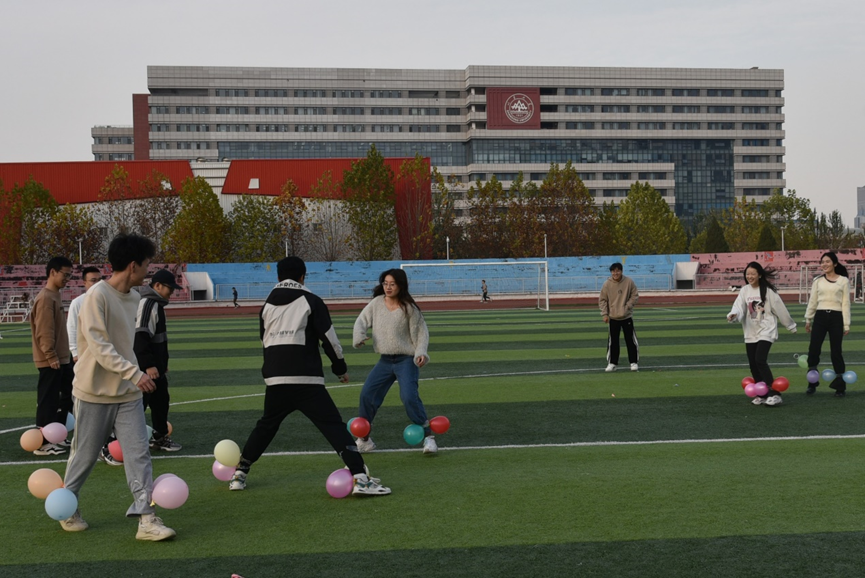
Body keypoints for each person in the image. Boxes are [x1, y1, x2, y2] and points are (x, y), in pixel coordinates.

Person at [229, 257, 390, 496]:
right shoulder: (311, 300)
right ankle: (361, 479)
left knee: (266, 426)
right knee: (333, 426)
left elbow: (264, 339)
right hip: (306, 379)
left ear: (278, 277)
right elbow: (329, 339)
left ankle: (240, 474)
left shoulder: (267, 305)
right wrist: (340, 369)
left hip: (275, 379)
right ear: (303, 276)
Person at [59, 233, 176, 541]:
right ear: (133, 266)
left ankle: (146, 519)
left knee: (139, 454)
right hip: (93, 392)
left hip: (128, 394)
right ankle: (68, 507)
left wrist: (138, 373)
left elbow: (130, 345)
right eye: (147, 265)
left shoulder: (136, 299)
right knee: (84, 456)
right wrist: (135, 373)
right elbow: (100, 347)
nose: (148, 272)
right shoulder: (96, 296)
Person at [353, 268, 436, 454]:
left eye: (392, 284)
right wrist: (359, 336)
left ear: (400, 285)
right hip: (385, 361)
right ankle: (364, 440)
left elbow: (421, 333)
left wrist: (421, 353)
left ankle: (428, 437)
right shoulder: (376, 303)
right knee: (367, 395)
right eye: (385, 283)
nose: (388, 287)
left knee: (409, 397)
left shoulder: (409, 308)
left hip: (406, 360)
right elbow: (361, 321)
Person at [726, 262, 797, 406]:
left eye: (753, 273)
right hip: (750, 331)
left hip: (766, 330)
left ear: (759, 275)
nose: (750, 276)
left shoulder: (768, 291)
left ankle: (774, 394)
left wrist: (790, 325)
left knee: (760, 360)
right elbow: (738, 307)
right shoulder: (745, 290)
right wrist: (733, 315)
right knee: (753, 363)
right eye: (748, 274)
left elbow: (780, 309)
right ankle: (762, 393)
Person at [30, 256, 74, 456]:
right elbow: (44, 331)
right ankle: (43, 443)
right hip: (52, 360)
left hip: (62, 358)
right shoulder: (46, 298)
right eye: (65, 274)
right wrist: (50, 355)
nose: (67, 279)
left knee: (67, 396)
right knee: (48, 400)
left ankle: (56, 434)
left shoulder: (55, 295)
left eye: (70, 275)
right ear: (53, 272)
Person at [135, 269, 183, 451]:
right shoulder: (148, 304)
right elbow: (141, 336)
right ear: (157, 286)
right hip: (146, 369)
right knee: (139, 404)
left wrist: (162, 364)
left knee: (160, 401)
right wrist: (148, 365)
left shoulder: (156, 304)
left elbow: (158, 338)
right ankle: (118, 441)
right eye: (170, 288)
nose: (172, 292)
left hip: (156, 367)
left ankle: (160, 437)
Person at [804, 252, 851, 397]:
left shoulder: (843, 281)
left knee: (836, 351)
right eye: (822, 262)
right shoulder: (817, 281)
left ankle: (840, 386)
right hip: (820, 317)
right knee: (813, 349)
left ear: (835, 264)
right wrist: (808, 319)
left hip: (836, 318)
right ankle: (812, 383)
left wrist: (846, 324)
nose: (824, 264)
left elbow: (845, 303)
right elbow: (813, 301)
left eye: (828, 261)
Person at [599, 262, 640, 372]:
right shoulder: (607, 284)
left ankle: (633, 362)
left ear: (621, 271)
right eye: (613, 271)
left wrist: (627, 307)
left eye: (618, 271)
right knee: (613, 342)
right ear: (611, 272)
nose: (615, 273)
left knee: (630, 341)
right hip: (613, 317)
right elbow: (602, 300)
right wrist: (605, 314)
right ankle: (612, 363)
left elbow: (634, 295)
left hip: (626, 317)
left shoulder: (629, 282)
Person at [67, 267, 103, 363]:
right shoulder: (77, 302)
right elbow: (72, 328)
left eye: (99, 280)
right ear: (84, 282)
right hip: (84, 352)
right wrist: (75, 352)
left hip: (104, 351)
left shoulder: (108, 300)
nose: (97, 283)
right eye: (93, 280)